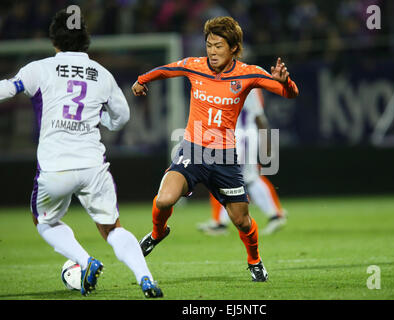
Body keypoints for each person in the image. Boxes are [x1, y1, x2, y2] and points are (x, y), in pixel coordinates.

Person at [0, 9, 162, 298]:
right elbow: (121, 117)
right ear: (86, 40)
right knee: (112, 228)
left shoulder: (40, 68)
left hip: (55, 167)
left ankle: (86, 261)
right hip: (92, 166)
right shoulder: (102, 74)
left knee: (45, 221)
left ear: (54, 40)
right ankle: (146, 278)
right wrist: (105, 121)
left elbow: (9, 89)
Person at [132, 16, 298, 282]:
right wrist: (142, 80)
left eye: (219, 46)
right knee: (164, 199)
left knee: (242, 221)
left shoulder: (248, 73)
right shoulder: (195, 66)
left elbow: (290, 93)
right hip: (193, 151)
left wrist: (285, 82)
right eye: (209, 45)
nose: (212, 51)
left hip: (225, 158)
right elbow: (165, 70)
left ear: (234, 48)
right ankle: (157, 233)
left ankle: (254, 260)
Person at [198, 88, 287, 236]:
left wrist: (267, 141)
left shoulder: (246, 82)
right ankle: (221, 222)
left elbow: (258, 115)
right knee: (238, 178)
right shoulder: (230, 80)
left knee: (245, 178)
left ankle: (274, 215)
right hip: (233, 136)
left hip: (242, 136)